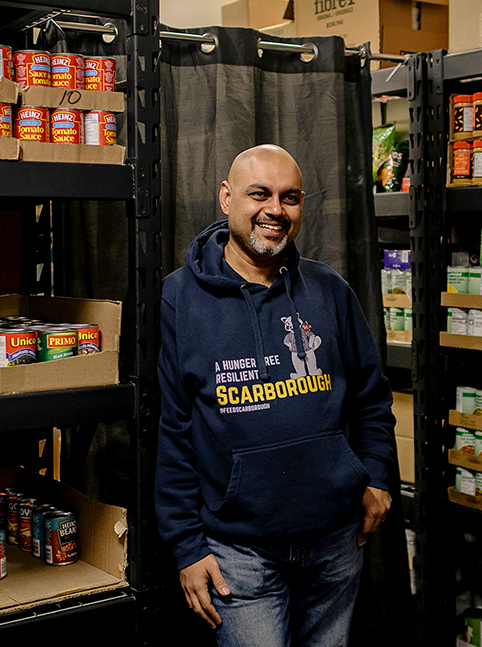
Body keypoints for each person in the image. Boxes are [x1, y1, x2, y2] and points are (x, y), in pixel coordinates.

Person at [155, 144, 396, 646]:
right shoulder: (180, 297)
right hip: (238, 556)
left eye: (290, 198)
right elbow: (173, 428)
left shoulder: (330, 290)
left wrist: (376, 474)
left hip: (336, 541)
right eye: (259, 194)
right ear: (226, 198)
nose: (275, 211)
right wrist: (185, 547)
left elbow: (371, 398)